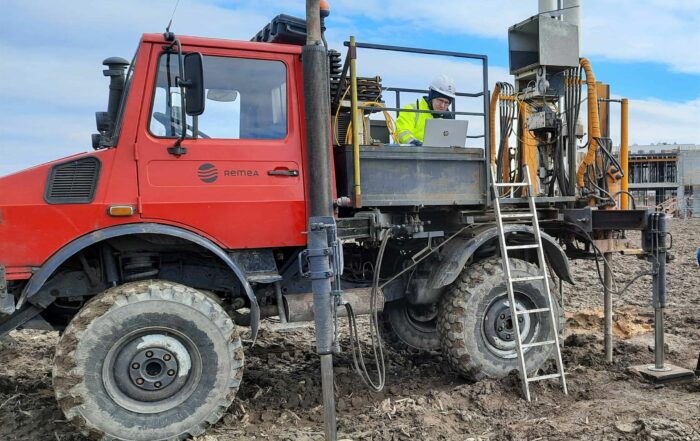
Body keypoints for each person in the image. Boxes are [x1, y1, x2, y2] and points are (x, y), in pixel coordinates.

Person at [396, 75, 456, 146]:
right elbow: (402, 131)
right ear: (431, 97)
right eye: (440, 100)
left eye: (446, 103)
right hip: (413, 153)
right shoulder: (411, 110)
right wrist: (414, 143)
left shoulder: (448, 117)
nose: (442, 106)